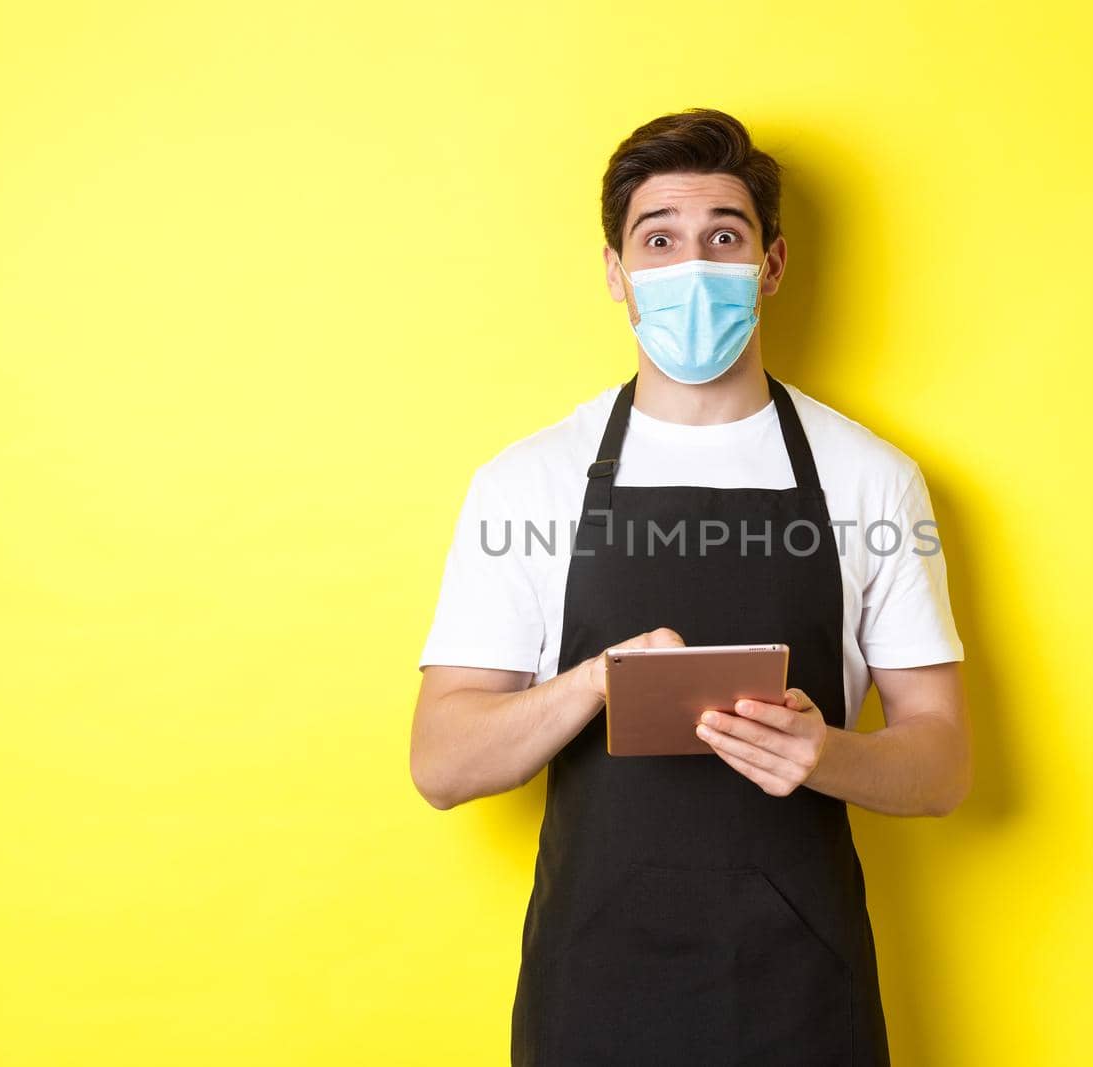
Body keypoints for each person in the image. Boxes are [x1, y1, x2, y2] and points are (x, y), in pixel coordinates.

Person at [409, 107, 970, 1066]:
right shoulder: (527, 481)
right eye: (659, 239)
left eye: (724, 237)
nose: (692, 265)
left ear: (772, 265)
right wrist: (593, 680)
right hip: (593, 989)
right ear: (618, 274)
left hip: (803, 990)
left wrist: (823, 754)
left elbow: (943, 760)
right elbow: (443, 763)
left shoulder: (874, 478)